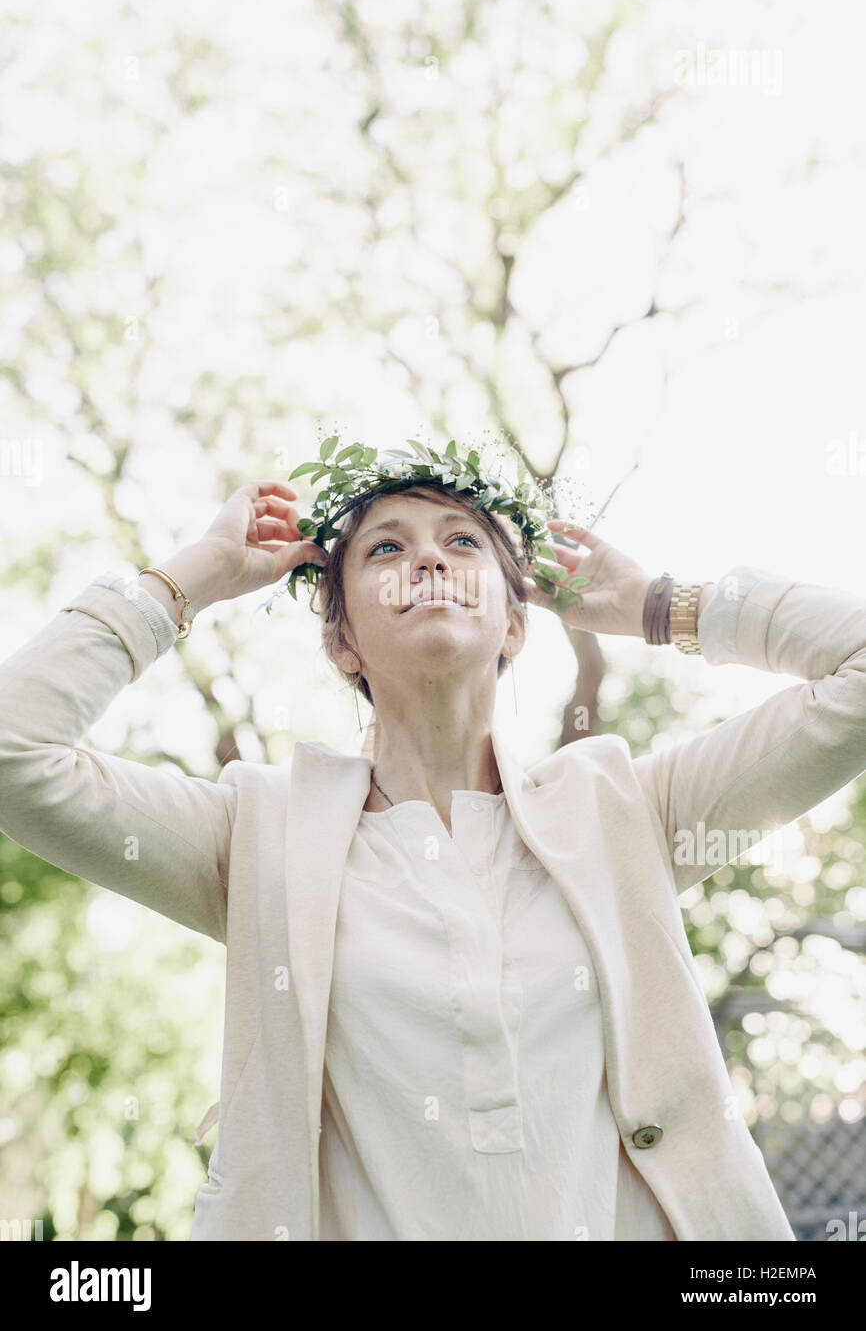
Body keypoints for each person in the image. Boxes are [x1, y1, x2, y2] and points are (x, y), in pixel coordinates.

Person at [1, 451, 865, 1242]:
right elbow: (15, 755)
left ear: (515, 624)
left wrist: (660, 605)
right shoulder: (257, 837)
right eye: (384, 549)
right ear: (342, 642)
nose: (429, 560)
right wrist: (187, 581)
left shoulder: (625, 812)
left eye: (462, 540)